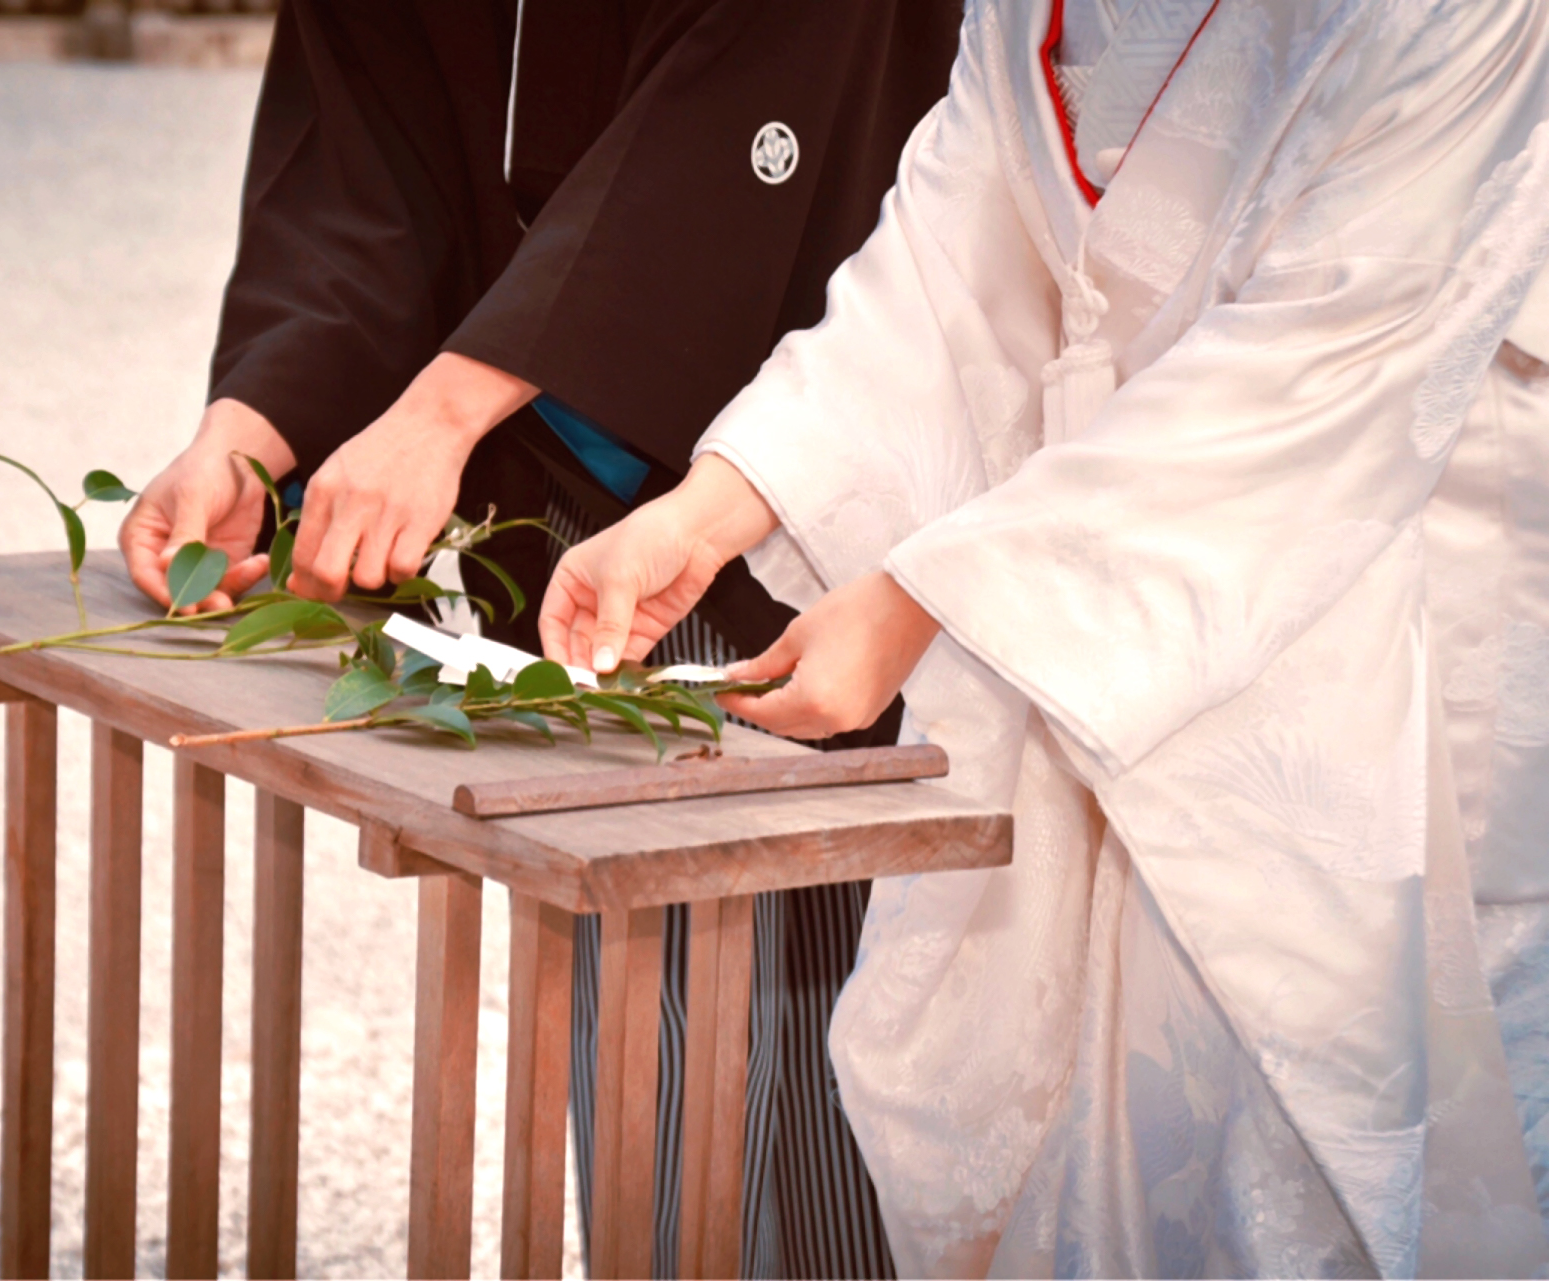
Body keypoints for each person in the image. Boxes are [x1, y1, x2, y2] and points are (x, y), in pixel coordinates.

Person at [541, 0, 1549, 1273]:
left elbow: (1319, 355)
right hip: (1065, 581)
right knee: (1074, 1133)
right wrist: (713, 505)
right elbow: (953, 250)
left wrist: (928, 599)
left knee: (1319, 1138)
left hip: (1373, 557)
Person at [116, 2, 962, 1274]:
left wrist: (445, 405)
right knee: (643, 1021)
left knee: (812, 1004)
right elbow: (362, 154)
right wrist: (258, 424)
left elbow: (742, 113)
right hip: (531, 469)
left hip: (766, 453)